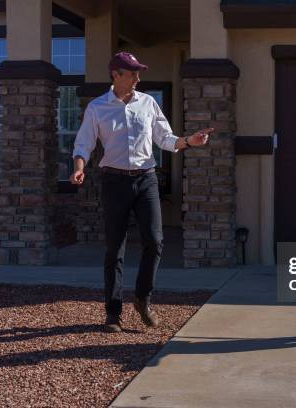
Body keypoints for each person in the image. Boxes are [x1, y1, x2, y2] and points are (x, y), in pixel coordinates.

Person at [70, 51, 213, 333]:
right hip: (114, 181)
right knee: (115, 248)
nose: (138, 77)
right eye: (132, 72)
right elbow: (83, 144)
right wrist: (79, 167)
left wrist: (190, 141)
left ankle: (142, 299)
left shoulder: (148, 103)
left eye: (138, 72)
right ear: (116, 75)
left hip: (146, 178)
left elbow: (166, 139)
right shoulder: (98, 107)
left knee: (155, 241)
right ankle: (113, 313)